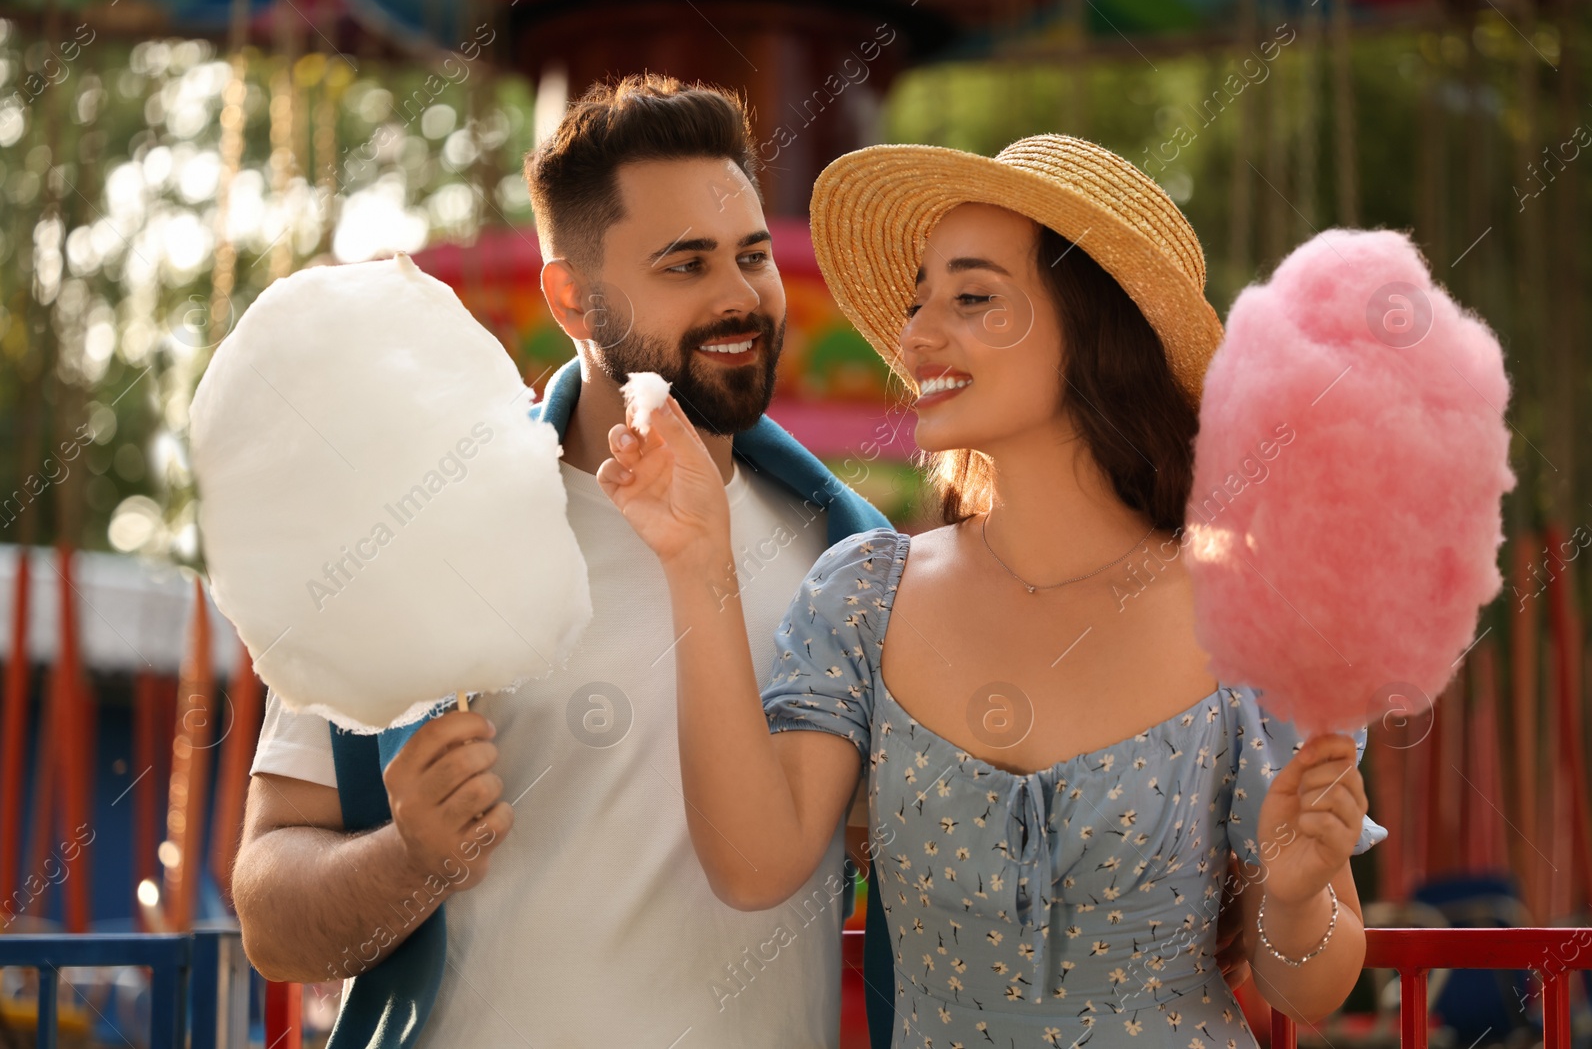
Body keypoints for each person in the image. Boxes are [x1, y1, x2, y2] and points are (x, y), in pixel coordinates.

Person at [597, 134, 1389, 1047]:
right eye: (918, 299)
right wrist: (698, 560)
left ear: (1096, 327)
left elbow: (1314, 987)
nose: (917, 335)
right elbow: (752, 867)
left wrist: (1293, 898)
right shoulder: (864, 598)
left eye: (973, 298)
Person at [231, 74, 893, 1048]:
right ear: (571, 297)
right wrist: (412, 856)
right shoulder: (411, 541)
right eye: (685, 264)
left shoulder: (852, 557)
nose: (739, 295)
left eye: (750, 255)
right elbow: (270, 917)